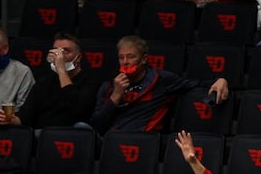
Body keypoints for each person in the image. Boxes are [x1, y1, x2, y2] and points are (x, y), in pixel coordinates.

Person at [89, 35, 229, 135]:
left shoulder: (161, 79)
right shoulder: (108, 86)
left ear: (144, 59)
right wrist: (116, 96)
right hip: (111, 140)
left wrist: (221, 80)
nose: (125, 62)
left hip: (143, 139)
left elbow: (195, 83)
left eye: (131, 57)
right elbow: (97, 125)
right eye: (121, 57)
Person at [0, 32, 99, 129]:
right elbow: (24, 118)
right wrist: (10, 120)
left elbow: (78, 110)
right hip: (42, 136)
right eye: (55, 51)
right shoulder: (43, 83)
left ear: (78, 57)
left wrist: (61, 70)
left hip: (73, 136)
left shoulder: (90, 81)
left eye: (65, 51)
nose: (59, 56)